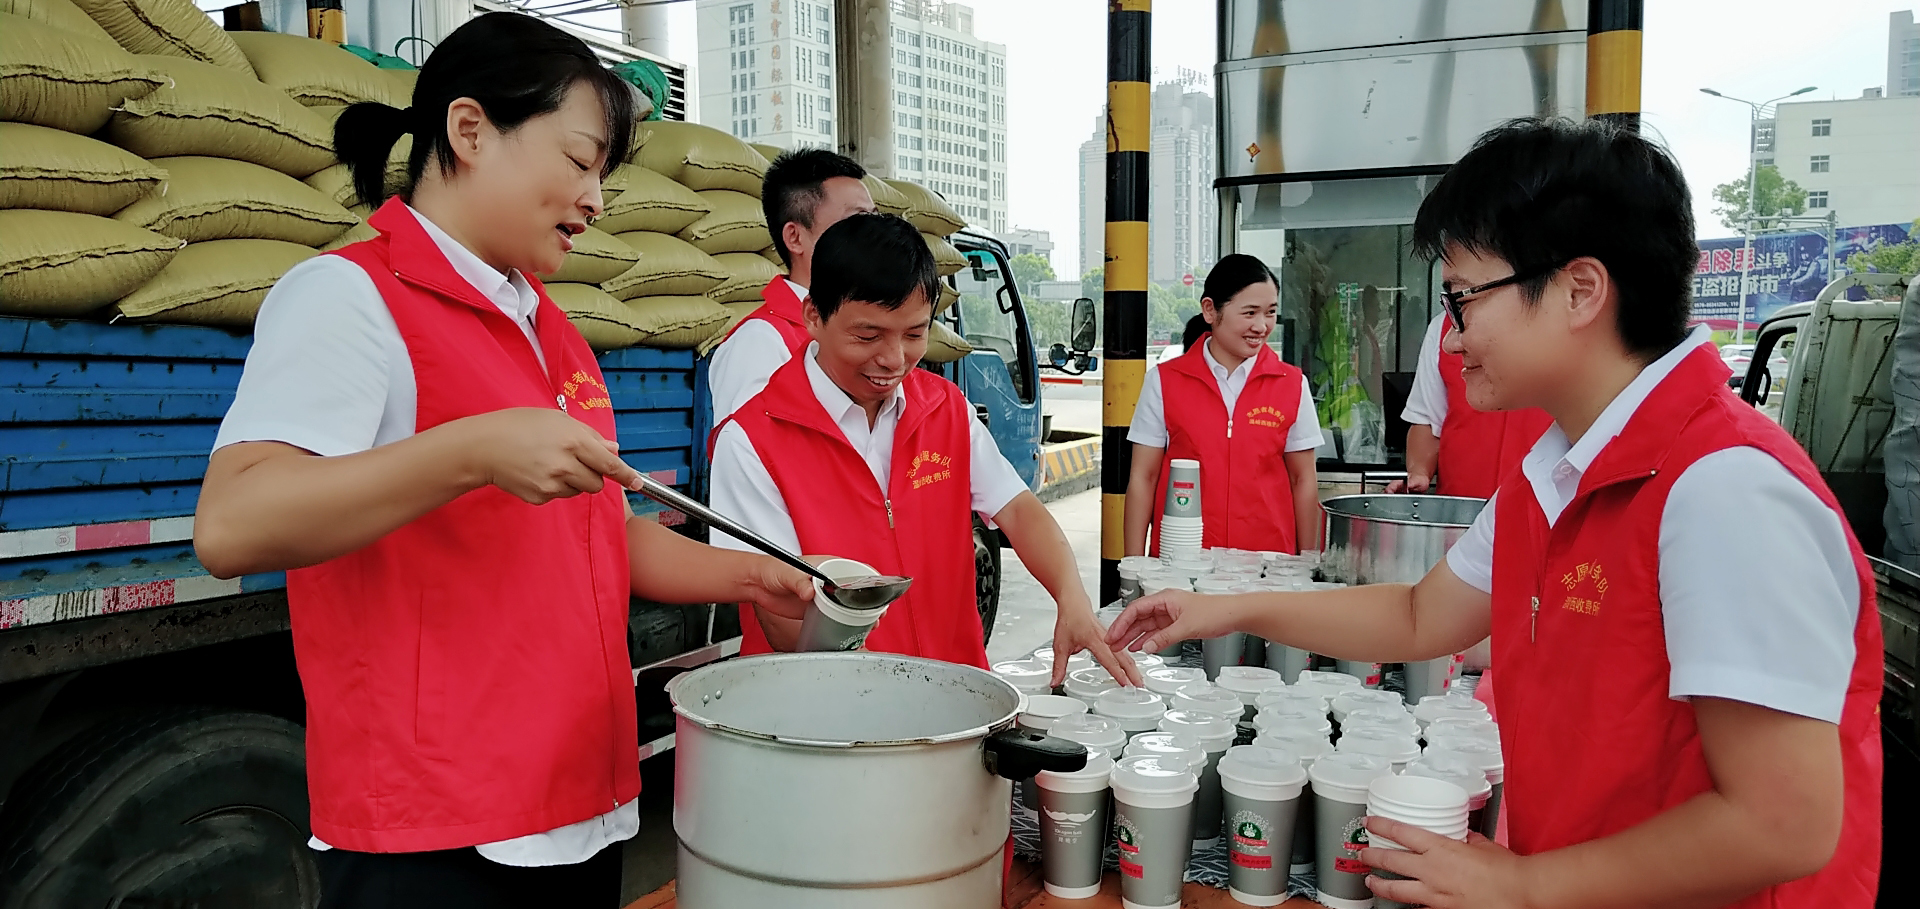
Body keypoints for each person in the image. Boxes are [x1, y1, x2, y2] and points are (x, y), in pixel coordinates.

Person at [1106, 118, 1881, 909]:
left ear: (1581, 290)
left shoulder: (1722, 488)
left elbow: (1782, 822)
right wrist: (1221, 607)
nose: (1450, 340)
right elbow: (1418, 614)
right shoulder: (1558, 472)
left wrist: (1526, 883)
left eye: (1463, 299)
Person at [191, 15, 816, 907]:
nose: (595, 199)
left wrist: (761, 575)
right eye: (580, 161)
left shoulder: (551, 333)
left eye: (603, 176)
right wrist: (475, 449)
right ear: (470, 130)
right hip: (440, 831)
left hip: (578, 805)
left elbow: (602, 534)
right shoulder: (351, 296)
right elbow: (233, 523)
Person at [709, 213, 1140, 688]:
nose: (893, 359)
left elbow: (1018, 510)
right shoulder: (752, 441)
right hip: (825, 711)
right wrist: (891, 689)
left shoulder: (944, 409)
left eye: (914, 334)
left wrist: (1071, 597)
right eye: (868, 336)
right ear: (813, 315)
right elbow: (779, 622)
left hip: (954, 698)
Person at [1123, 254, 1325, 557]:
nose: (1262, 326)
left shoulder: (1292, 384)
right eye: (1249, 313)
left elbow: (1303, 479)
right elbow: (1143, 478)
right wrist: (1133, 565)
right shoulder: (1164, 382)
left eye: (1270, 312)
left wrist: (1308, 563)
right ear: (1210, 310)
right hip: (1183, 562)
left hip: (1268, 566)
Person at [706, 148, 875, 422]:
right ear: (795, 238)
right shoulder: (761, 343)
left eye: (875, 219)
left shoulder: (872, 330)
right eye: (856, 222)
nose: (874, 235)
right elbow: (751, 445)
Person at [1390, 309, 1552, 497]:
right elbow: (1427, 422)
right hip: (1460, 507)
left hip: (1548, 506)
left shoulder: (1566, 325)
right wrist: (1419, 472)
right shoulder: (1445, 329)